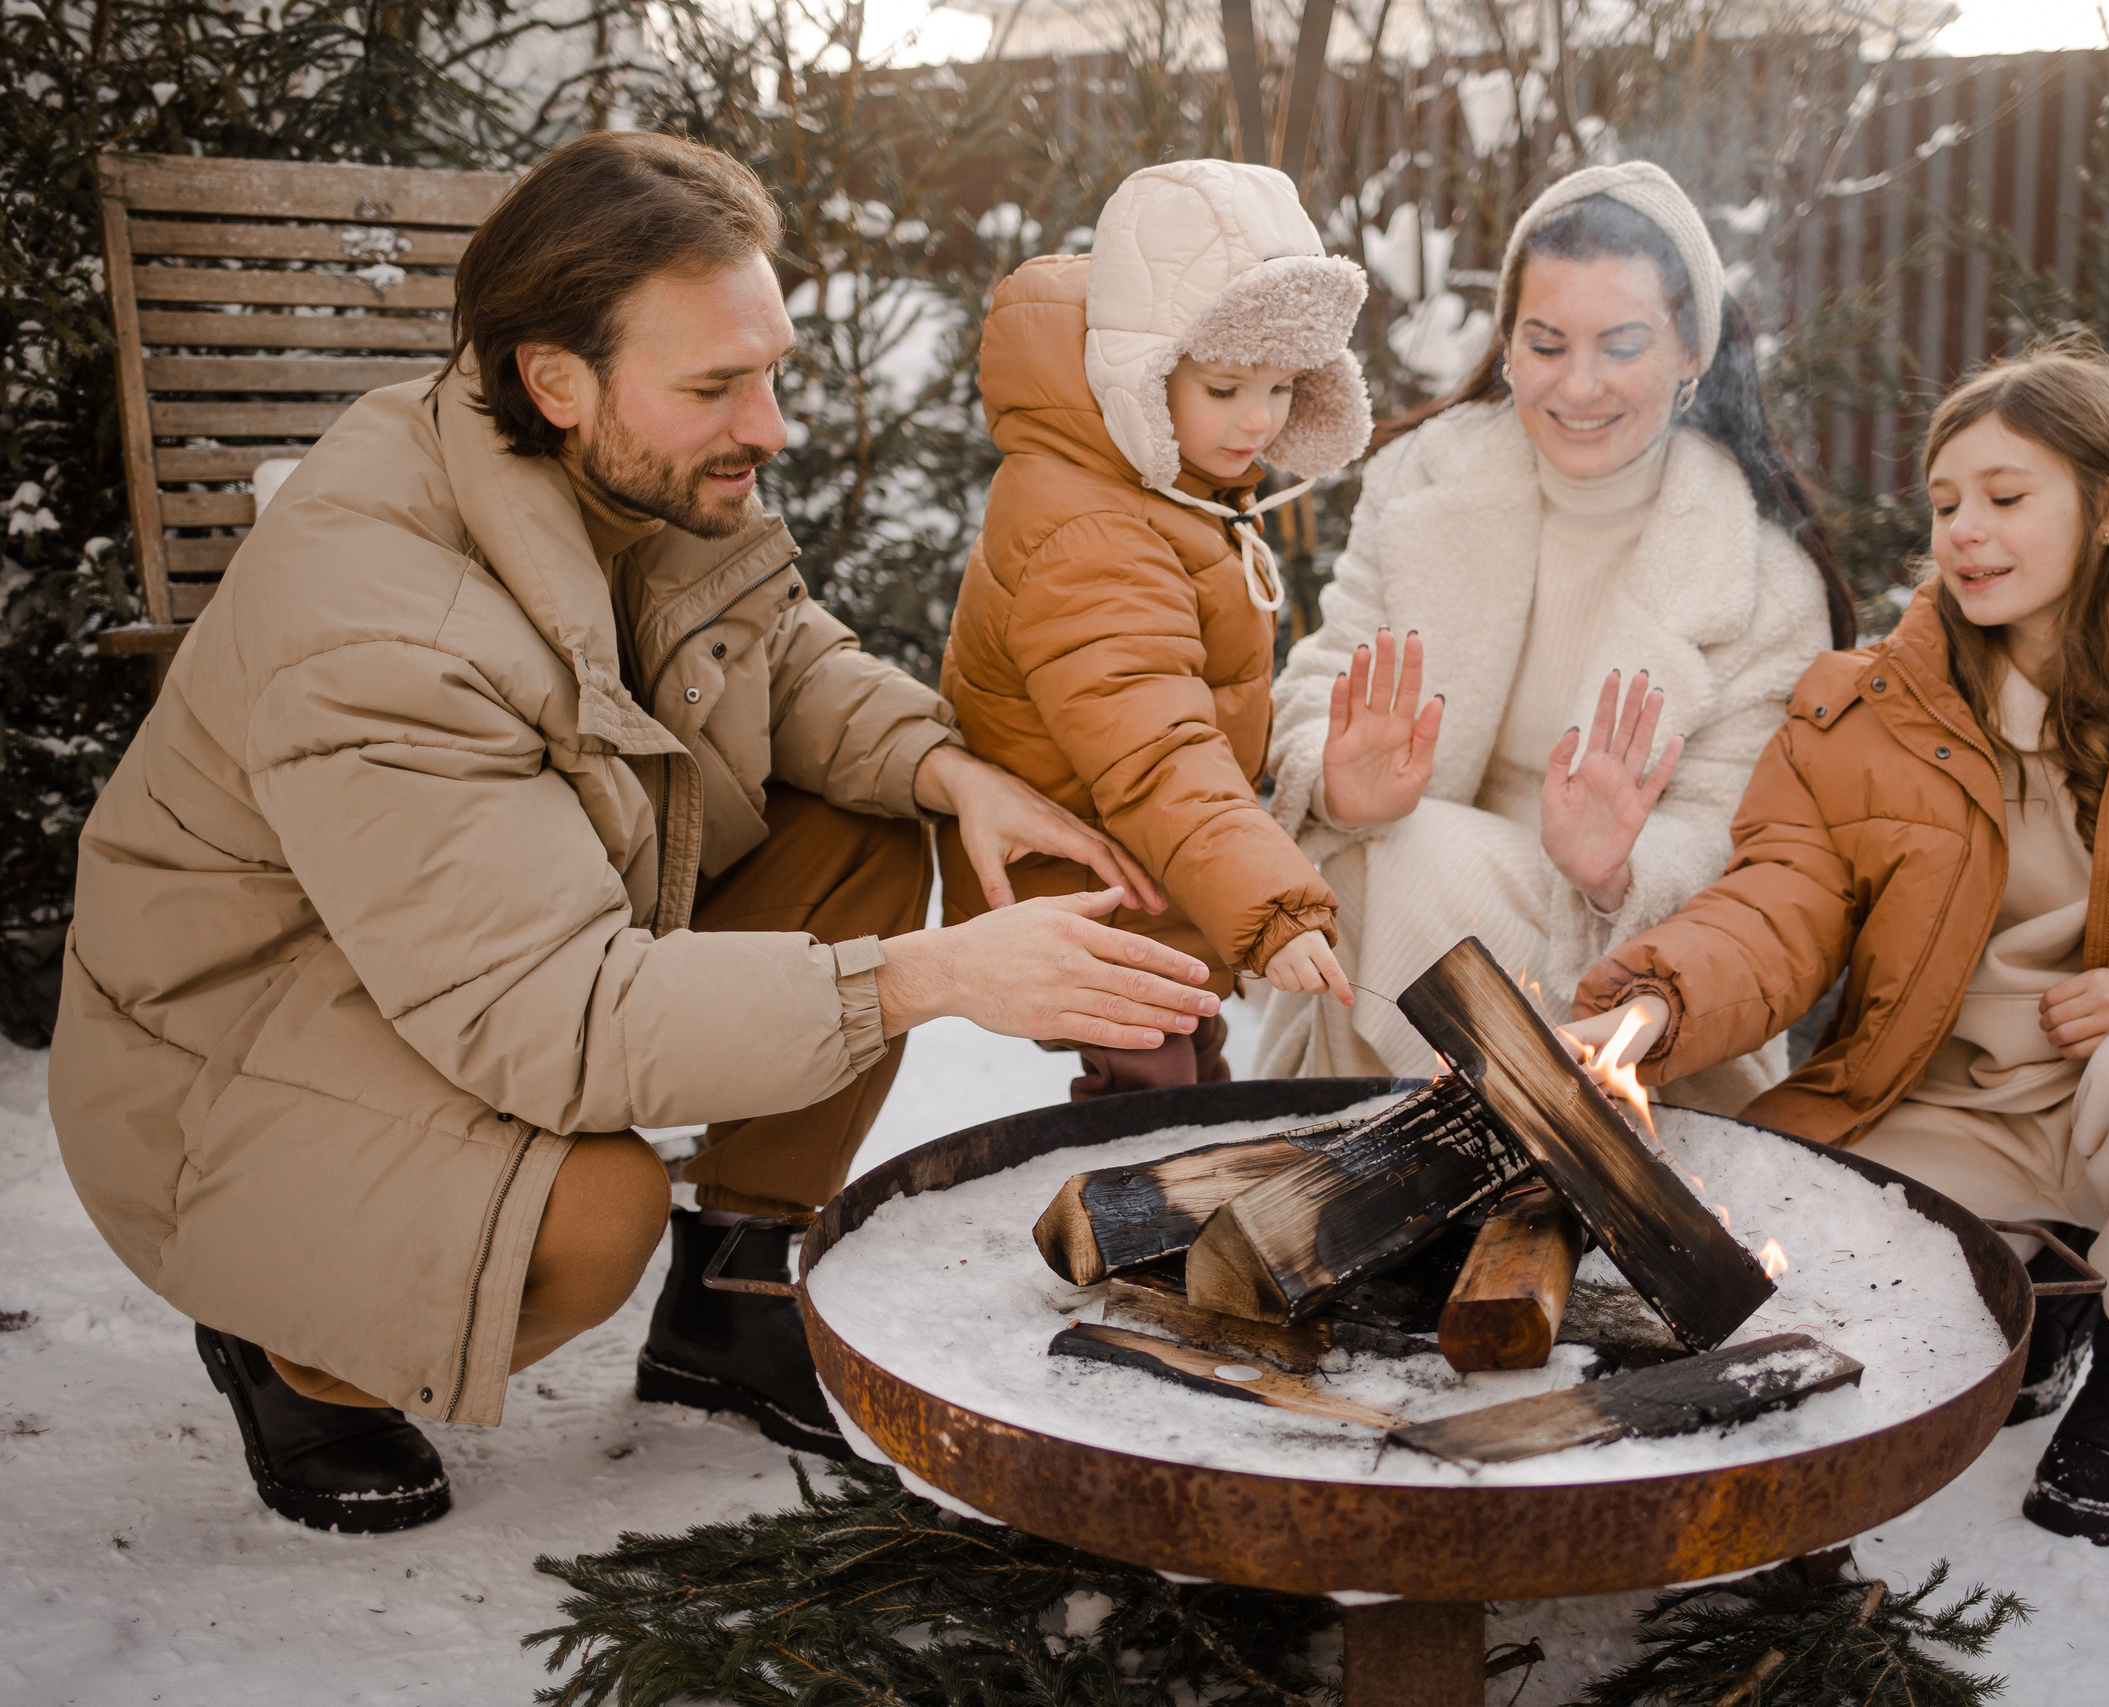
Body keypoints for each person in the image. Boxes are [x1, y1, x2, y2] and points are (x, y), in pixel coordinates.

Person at [48, 132, 1224, 1534]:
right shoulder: (384, 623)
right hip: (236, 1059)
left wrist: (940, 766)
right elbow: (549, 1014)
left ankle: (731, 1299)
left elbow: (780, 658)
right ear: (555, 377)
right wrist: (931, 975)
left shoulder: (632, 467)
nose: (771, 425)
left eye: (771, 368)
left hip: (439, 965)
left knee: (857, 818)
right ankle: (289, 1341)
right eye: (721, 385)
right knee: (586, 1210)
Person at [1566, 349, 2109, 1545]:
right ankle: (2037, 1287)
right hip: (1945, 1108)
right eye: (1947, 501)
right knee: (1787, 1312)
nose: (1966, 531)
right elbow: (1779, 899)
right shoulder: (1862, 711)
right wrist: (1654, 1002)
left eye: (2007, 498)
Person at [1253, 161, 1855, 1104]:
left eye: (1622, 345)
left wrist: (1620, 870)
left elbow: (1751, 851)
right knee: (1387, 854)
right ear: (1506, 344)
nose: (1579, 386)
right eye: (1546, 343)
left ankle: (1446, 1166)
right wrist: (1336, 779)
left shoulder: (1760, 578)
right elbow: (1318, 685)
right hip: (1397, 957)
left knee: (1395, 858)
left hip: (1623, 994)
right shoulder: (1422, 483)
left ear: (1691, 350)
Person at [939, 160, 1372, 1096]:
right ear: (1141, 369)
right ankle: (1132, 1239)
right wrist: (1272, 908)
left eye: (1284, 387)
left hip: (1152, 871)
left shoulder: (1166, 482)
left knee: (1193, 1073)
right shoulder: (1090, 528)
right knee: (1154, 1102)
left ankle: (1181, 1226)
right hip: (1085, 892)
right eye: (1224, 389)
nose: (1258, 421)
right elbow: (1154, 746)